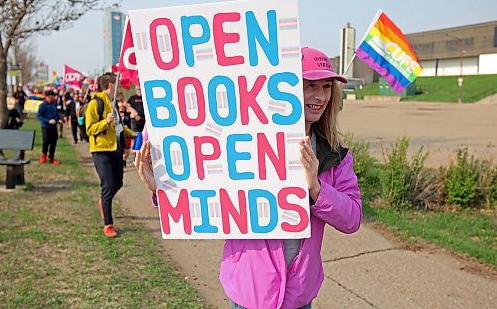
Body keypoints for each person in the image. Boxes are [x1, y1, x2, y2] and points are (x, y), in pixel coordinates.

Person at [134, 47, 362, 308]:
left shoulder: (335, 155)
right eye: (310, 85)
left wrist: (316, 188)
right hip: (249, 291)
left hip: (300, 295)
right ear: (284, 88)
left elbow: (352, 218)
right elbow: (207, 196)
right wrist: (163, 190)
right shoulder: (243, 142)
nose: (320, 96)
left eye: (326, 86)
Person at [86, 72, 135, 238]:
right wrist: (105, 122)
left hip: (116, 149)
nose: (119, 86)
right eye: (117, 84)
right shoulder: (95, 103)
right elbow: (90, 129)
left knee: (118, 182)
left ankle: (104, 201)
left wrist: (132, 134)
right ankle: (108, 224)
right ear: (110, 85)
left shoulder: (112, 104)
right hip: (101, 150)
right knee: (107, 185)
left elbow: (119, 127)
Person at [37, 90, 62, 165]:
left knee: (54, 141)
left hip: (54, 126)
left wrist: (59, 119)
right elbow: (38, 116)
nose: (54, 98)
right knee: (46, 141)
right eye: (52, 96)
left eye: (54, 96)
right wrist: (48, 121)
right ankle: (43, 155)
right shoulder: (43, 105)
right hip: (45, 126)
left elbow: (56, 114)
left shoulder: (54, 104)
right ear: (48, 97)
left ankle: (51, 157)